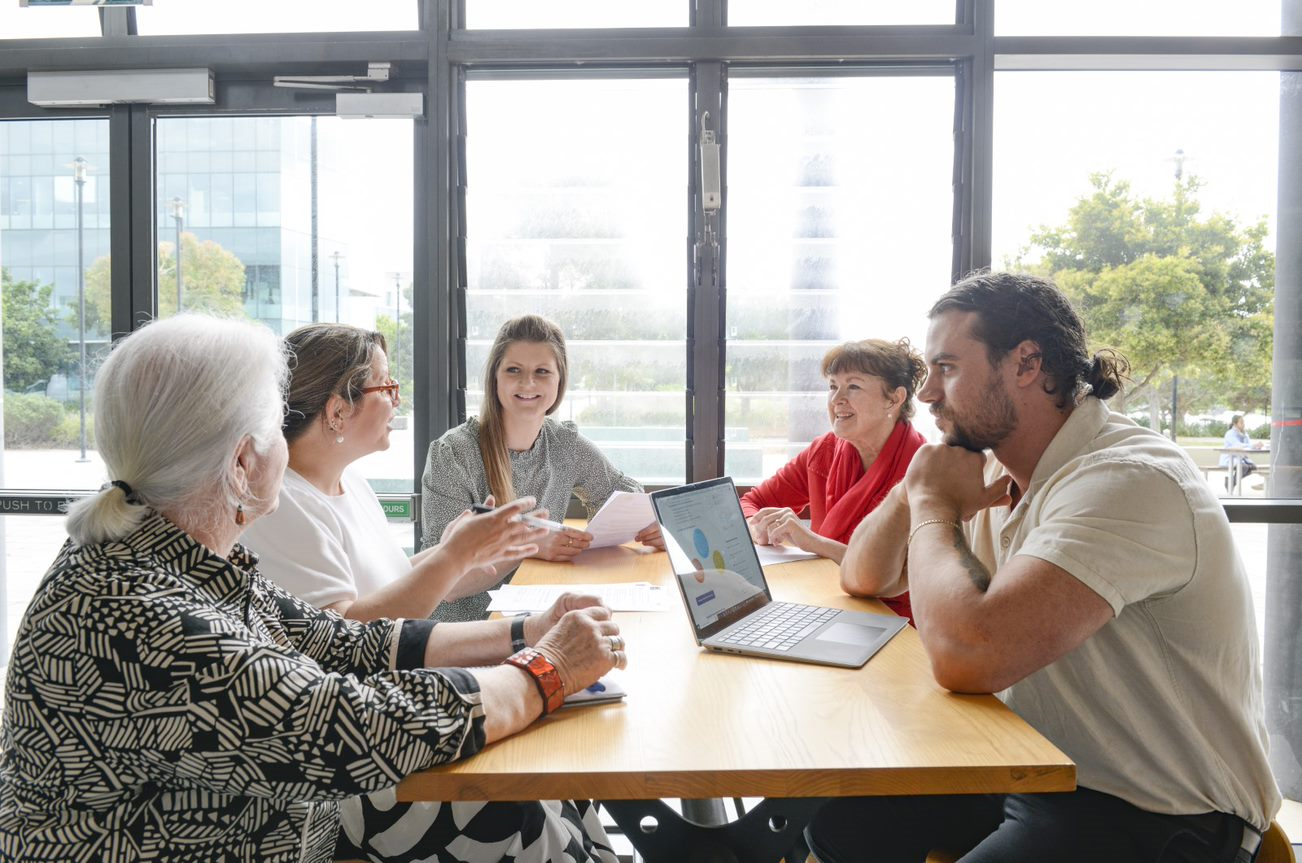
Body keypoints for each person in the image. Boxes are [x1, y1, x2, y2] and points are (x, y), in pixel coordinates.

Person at [0, 315, 625, 863]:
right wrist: (546, 670)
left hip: (276, 817)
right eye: (279, 423)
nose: (292, 438)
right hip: (260, 832)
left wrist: (523, 634)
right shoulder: (137, 615)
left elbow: (338, 641)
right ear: (244, 461)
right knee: (511, 811)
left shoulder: (173, 559)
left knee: (537, 794)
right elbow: (347, 727)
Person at [807, 272, 1279, 862]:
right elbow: (864, 576)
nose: (926, 395)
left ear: (1027, 363)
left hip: (1161, 811)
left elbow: (968, 657)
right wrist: (914, 488)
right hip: (1032, 769)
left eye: (947, 368)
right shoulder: (987, 468)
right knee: (838, 828)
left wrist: (933, 504)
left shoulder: (1127, 480)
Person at [242, 321, 621, 862]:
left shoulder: (349, 485)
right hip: (365, 750)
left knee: (561, 780)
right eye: (385, 387)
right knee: (524, 801)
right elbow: (348, 639)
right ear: (337, 410)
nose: (397, 399)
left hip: (410, 711)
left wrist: (479, 560)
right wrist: (457, 557)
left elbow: (396, 582)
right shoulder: (285, 506)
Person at [421, 314, 664, 622]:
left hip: (533, 619)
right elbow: (445, 584)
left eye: (542, 372)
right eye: (513, 370)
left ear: (559, 380)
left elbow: (624, 491)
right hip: (462, 634)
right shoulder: (452, 454)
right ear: (494, 377)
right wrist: (528, 545)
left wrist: (650, 525)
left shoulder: (565, 443)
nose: (528, 383)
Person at [739, 338, 926, 621]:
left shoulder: (923, 470)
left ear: (894, 398)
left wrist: (813, 542)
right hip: (826, 603)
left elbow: (905, 581)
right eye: (832, 386)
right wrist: (760, 527)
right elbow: (753, 502)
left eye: (853, 386)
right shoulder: (825, 451)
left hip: (896, 623)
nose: (837, 399)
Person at [1220, 414, 1260, 490]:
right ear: (1235, 424)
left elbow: (1249, 444)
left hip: (1241, 459)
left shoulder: (1244, 433)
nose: (1243, 424)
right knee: (1244, 467)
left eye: (1243, 422)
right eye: (1241, 422)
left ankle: (1230, 482)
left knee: (1252, 467)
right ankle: (1231, 483)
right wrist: (1253, 445)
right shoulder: (1230, 434)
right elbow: (1238, 445)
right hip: (1230, 459)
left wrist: (1256, 445)